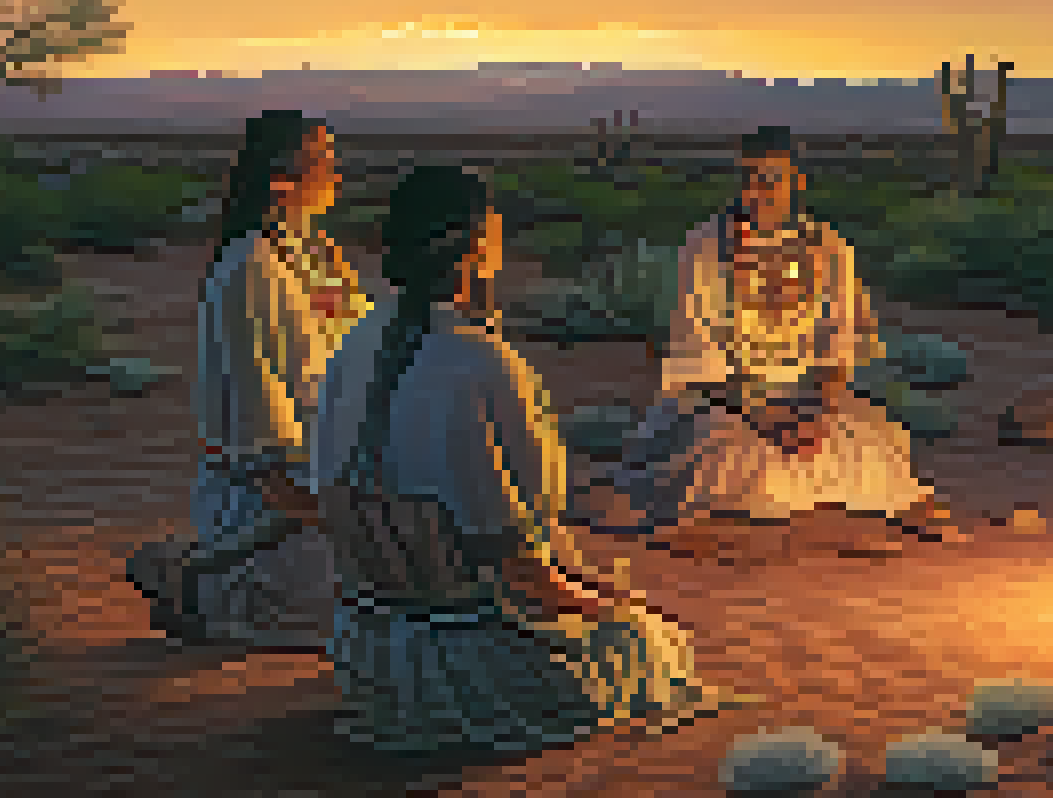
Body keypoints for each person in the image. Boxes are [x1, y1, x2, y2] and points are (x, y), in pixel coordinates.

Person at [314, 166, 734, 753]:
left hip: (368, 652)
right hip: (466, 659)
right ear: (476, 247)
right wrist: (604, 602)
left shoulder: (351, 342)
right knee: (651, 641)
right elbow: (513, 560)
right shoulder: (480, 362)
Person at [580, 125, 960, 556]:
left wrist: (820, 409)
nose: (757, 191)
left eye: (770, 179)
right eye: (748, 178)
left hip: (806, 394)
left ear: (796, 182)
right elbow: (699, 352)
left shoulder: (829, 248)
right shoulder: (707, 248)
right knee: (726, 447)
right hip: (723, 399)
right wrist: (767, 415)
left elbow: (841, 339)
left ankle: (894, 506)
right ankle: (689, 520)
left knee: (873, 435)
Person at [126, 110, 369, 648]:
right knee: (341, 616)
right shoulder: (249, 263)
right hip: (271, 479)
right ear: (282, 175)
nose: (335, 174)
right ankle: (200, 579)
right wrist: (284, 478)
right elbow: (250, 380)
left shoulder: (318, 253)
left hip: (332, 461)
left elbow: (359, 340)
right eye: (321, 161)